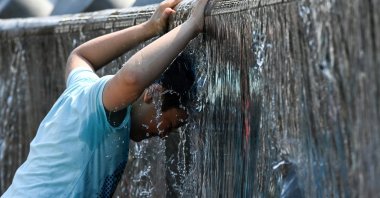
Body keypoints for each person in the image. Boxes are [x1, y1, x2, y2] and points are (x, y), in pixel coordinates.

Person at [2, 0, 209, 197]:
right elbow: (131, 78)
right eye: (170, 124)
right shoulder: (107, 112)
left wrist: (149, 28)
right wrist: (191, 26)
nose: (164, 134)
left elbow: (80, 56)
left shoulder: (83, 88)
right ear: (153, 93)